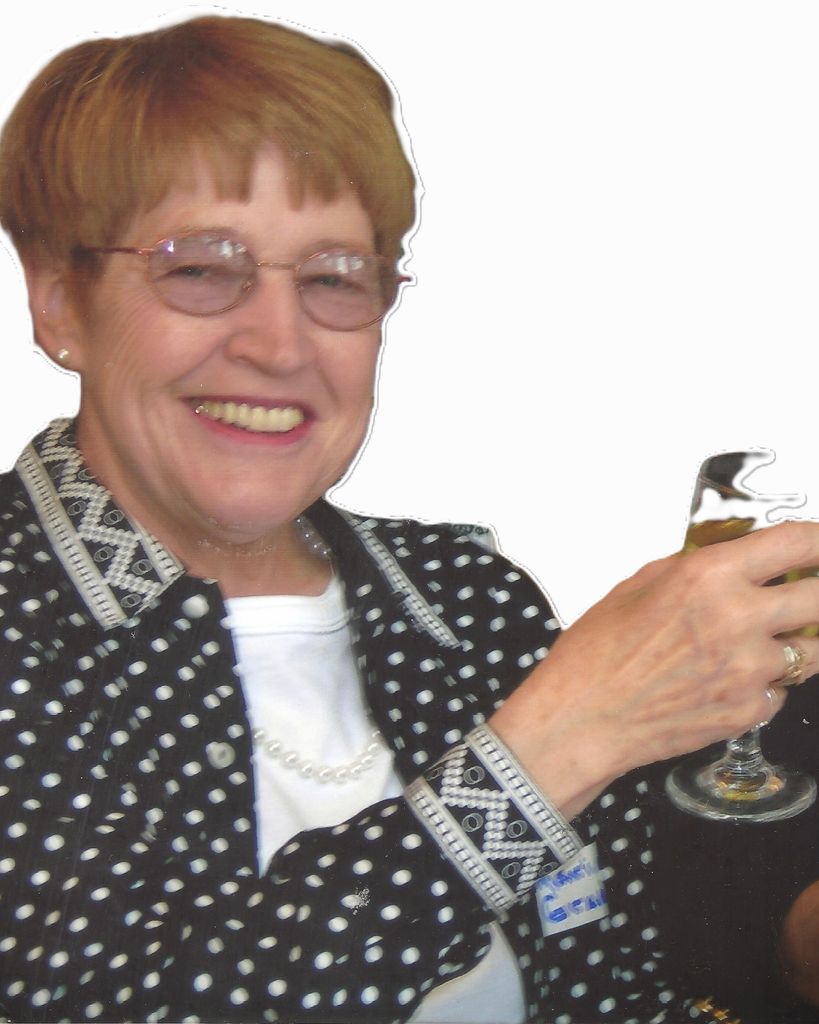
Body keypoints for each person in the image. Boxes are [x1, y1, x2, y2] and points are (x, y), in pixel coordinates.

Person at [1, 13, 819, 1024]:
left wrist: (789, 953)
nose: (279, 344)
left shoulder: (466, 599)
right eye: (200, 268)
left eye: (332, 278)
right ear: (59, 302)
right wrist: (557, 745)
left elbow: (622, 972)